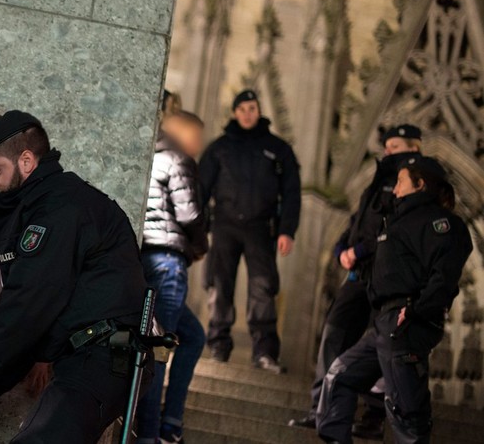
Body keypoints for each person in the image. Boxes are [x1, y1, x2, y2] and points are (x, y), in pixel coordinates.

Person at [0, 111, 149, 443]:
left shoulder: (57, 209)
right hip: (97, 356)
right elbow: (68, 291)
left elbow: (31, 294)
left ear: (27, 161)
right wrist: (40, 354)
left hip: (101, 358)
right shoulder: (52, 200)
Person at [316, 156, 472, 444]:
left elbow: (444, 276)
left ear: (420, 184)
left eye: (400, 182)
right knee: (339, 376)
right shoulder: (395, 220)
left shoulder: (442, 224)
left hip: (406, 323)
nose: (395, 189)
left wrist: (415, 311)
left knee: (406, 412)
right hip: (384, 322)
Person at [289, 124, 422, 438]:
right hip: (359, 274)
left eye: (396, 146)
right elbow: (356, 222)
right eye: (387, 146)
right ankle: (321, 408)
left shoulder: (413, 185)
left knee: (382, 345)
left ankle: (374, 416)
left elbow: (398, 231)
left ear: (413, 149)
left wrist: (358, 250)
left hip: (388, 276)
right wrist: (341, 250)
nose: (388, 152)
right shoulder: (377, 182)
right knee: (334, 332)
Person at [198, 89, 301, 372]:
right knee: (219, 286)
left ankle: (264, 352)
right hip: (224, 227)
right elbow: (200, 190)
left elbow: (291, 192)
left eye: (252, 108)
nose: (247, 114)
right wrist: (200, 226)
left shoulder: (278, 149)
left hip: (261, 228)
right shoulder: (219, 148)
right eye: (242, 109)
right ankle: (218, 345)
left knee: (263, 288)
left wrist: (287, 230)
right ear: (234, 113)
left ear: (259, 111)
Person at [136, 109, 208, 444]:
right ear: (185, 133)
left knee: (191, 336)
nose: (199, 146)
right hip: (168, 264)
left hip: (146, 259)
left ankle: (170, 421)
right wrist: (199, 245)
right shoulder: (179, 158)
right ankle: (152, 433)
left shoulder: (150, 153)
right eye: (198, 137)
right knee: (159, 349)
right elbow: (190, 212)